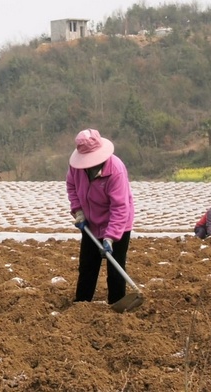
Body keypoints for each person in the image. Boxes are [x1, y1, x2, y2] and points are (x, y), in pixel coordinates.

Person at [66, 128, 135, 304]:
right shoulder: (76, 168)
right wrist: (78, 211)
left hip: (118, 223)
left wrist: (110, 237)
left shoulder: (116, 170)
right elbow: (72, 187)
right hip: (90, 223)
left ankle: (118, 304)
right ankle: (81, 303)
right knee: (87, 266)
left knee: (115, 268)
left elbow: (120, 207)